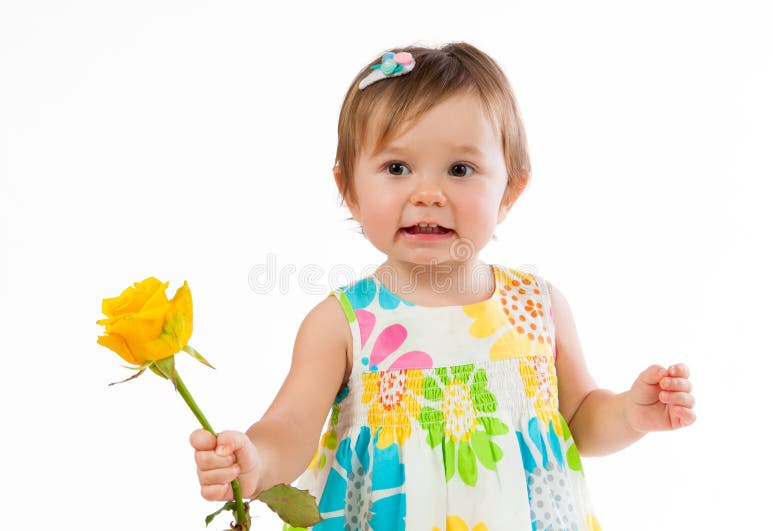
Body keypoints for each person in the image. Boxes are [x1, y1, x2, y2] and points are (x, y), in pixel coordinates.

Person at [189, 42, 696, 530]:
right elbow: (292, 428)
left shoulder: (538, 308)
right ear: (349, 190)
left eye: (460, 169)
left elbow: (580, 418)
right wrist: (255, 459)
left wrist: (630, 413)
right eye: (396, 168)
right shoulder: (343, 324)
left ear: (510, 189)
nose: (428, 193)